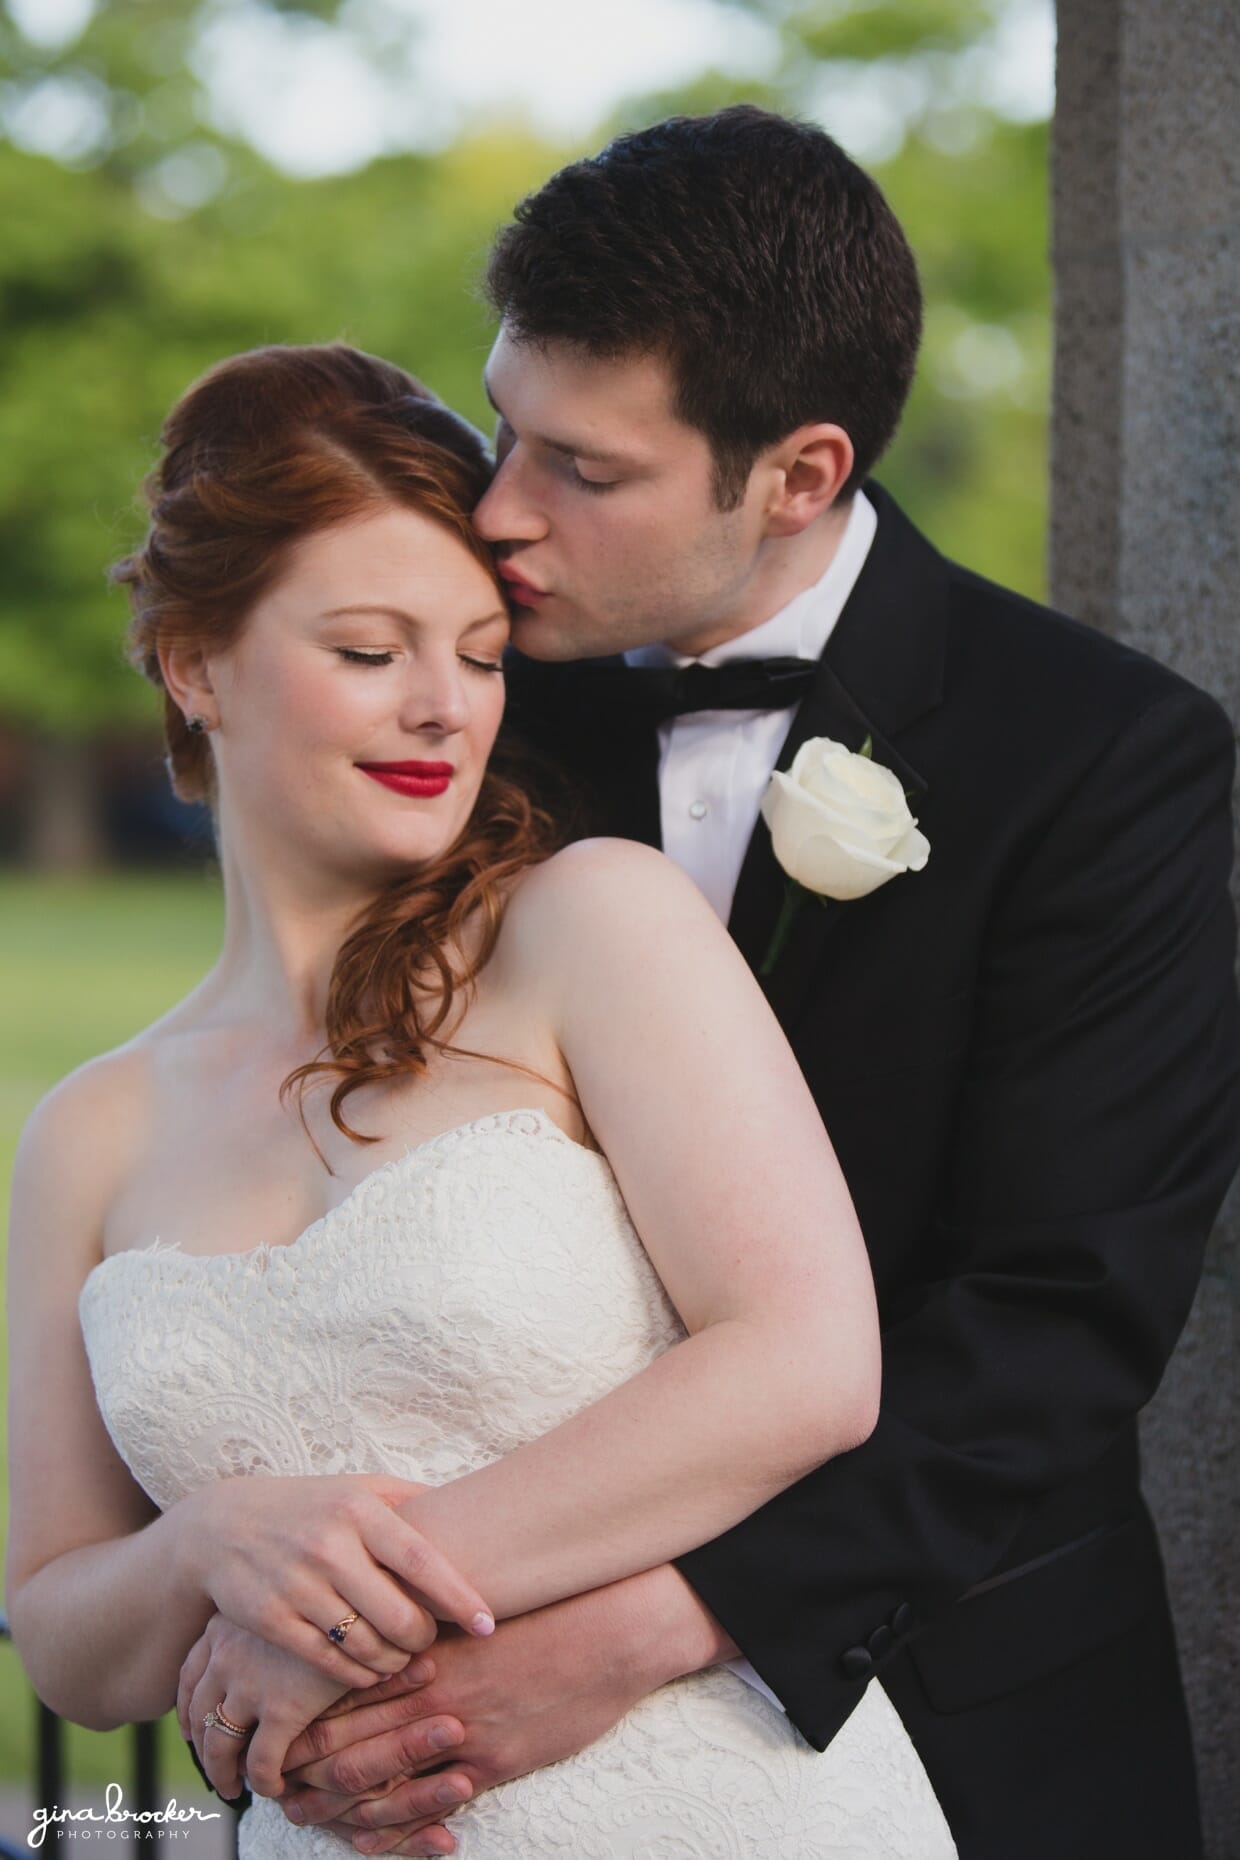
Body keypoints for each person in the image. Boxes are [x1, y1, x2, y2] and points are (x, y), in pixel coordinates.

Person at [271, 109, 1240, 1860]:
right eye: (505, 426)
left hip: (955, 1709)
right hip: (467, 1733)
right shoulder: (474, 721)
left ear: (799, 474)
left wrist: (656, 1622)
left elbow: (1062, 1312)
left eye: (587, 468)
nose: (499, 512)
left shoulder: (1104, 759)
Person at [4, 341, 964, 1858]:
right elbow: (61, 1628)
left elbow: (806, 1361)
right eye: (373, 652)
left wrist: (336, 1606)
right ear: (196, 663)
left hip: (719, 1812)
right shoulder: (90, 1130)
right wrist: (217, 1541)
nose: (445, 707)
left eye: (480, 651)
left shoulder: (590, 927)